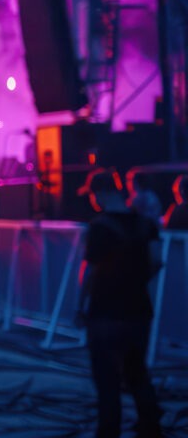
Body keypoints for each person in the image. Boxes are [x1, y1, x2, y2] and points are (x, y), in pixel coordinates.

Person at [77, 169, 163, 438]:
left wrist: (80, 306)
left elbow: (89, 272)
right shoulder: (144, 223)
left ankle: (108, 432)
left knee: (107, 381)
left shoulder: (99, 227)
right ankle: (151, 428)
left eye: (92, 196)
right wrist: (135, 280)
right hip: (139, 310)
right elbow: (157, 260)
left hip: (105, 312)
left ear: (99, 193)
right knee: (137, 373)